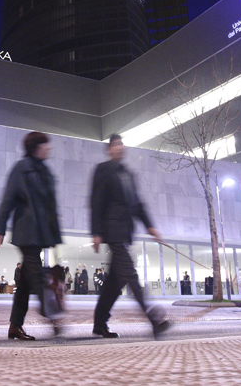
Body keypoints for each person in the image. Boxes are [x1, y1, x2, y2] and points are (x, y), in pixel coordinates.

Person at [91, 134, 170, 338]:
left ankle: (100, 322)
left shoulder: (128, 174)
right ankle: (153, 318)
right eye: (115, 144)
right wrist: (96, 232)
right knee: (130, 274)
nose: (119, 147)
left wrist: (150, 226)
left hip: (125, 232)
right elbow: (96, 201)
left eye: (121, 144)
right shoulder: (103, 170)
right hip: (112, 231)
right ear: (109, 149)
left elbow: (137, 204)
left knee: (114, 283)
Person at [0, 131, 63, 340]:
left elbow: (49, 206)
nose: (49, 148)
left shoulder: (44, 171)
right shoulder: (22, 168)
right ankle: (52, 314)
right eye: (45, 145)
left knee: (25, 283)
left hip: (39, 233)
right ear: (36, 147)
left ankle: (15, 326)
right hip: (26, 231)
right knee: (38, 275)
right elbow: (8, 199)